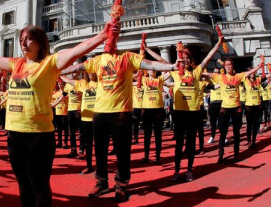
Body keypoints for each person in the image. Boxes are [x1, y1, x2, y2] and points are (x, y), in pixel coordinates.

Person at [0, 23, 119, 207]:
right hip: (14, 135)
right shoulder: (16, 64)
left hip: (39, 136)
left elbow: (76, 51)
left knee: (39, 186)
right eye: (21, 40)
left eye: (28, 38)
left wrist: (102, 36)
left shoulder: (50, 63)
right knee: (24, 186)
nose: (23, 43)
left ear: (40, 42)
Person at [61, 41, 182, 201]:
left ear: (116, 43)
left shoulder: (127, 58)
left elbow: (150, 65)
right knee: (100, 151)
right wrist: (54, 70)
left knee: (122, 152)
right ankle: (101, 182)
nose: (108, 43)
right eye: (106, 40)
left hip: (121, 113)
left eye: (112, 39)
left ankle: (122, 185)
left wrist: (173, 67)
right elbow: (77, 68)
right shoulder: (97, 60)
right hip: (100, 114)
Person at [167, 38, 222, 182]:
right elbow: (161, 65)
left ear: (190, 60)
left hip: (193, 112)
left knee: (191, 143)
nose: (184, 60)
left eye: (187, 58)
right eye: (182, 58)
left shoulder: (197, 72)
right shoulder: (175, 72)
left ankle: (189, 170)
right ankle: (177, 170)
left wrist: (217, 44)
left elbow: (208, 57)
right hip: (179, 112)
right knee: (179, 143)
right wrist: (147, 50)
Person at [204, 58, 262, 163]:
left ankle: (236, 154)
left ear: (232, 66)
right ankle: (220, 155)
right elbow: (207, 74)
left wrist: (259, 66)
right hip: (225, 108)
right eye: (226, 65)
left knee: (236, 132)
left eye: (230, 64)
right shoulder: (220, 77)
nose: (228, 66)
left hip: (236, 108)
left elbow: (249, 72)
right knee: (223, 132)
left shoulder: (238, 77)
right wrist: (198, 69)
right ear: (224, 67)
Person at [61, 72, 98, 174]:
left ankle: (100, 167)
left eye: (93, 71)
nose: (91, 74)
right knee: (88, 143)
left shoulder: (100, 84)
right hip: (85, 118)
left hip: (97, 117)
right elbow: (67, 80)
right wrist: (60, 72)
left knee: (99, 144)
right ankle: (89, 165)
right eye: (89, 72)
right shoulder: (83, 84)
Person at [243, 69, 264, 149]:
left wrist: (262, 66)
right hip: (248, 105)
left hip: (257, 105)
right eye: (251, 72)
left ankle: (254, 140)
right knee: (249, 124)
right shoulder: (245, 81)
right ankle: (249, 141)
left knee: (255, 124)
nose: (252, 73)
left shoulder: (258, 80)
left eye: (254, 72)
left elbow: (265, 77)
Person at [206, 68, 222, 144]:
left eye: (218, 72)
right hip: (213, 103)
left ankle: (223, 137)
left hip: (222, 103)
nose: (216, 73)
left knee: (221, 122)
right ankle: (212, 136)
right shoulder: (211, 81)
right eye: (215, 72)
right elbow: (207, 83)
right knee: (213, 122)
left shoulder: (223, 79)